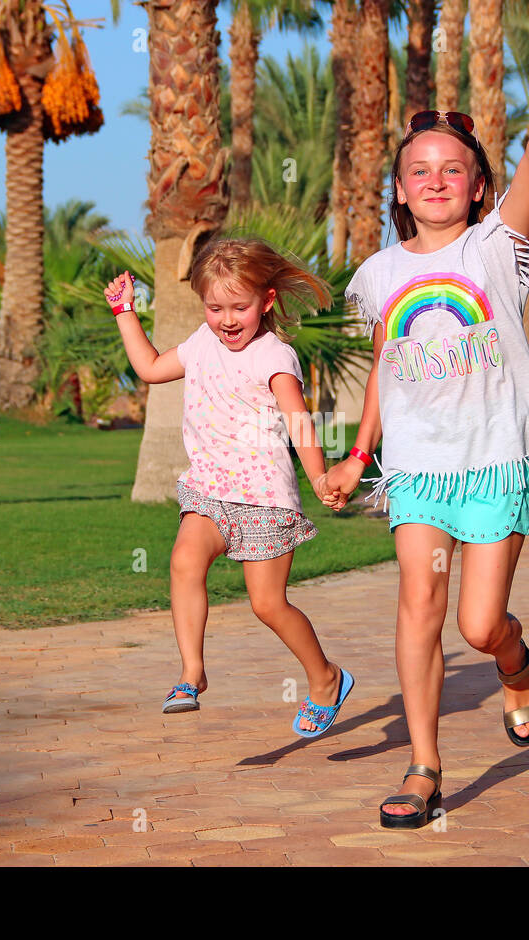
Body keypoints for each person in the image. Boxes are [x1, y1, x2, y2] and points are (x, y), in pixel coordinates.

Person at [323, 0, 529, 827]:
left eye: (454, 168)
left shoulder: (493, 247)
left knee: (479, 625)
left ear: (478, 186)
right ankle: (424, 767)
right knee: (419, 604)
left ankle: (516, 667)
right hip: (418, 467)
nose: (437, 179)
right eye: (420, 170)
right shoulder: (376, 273)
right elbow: (387, 362)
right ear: (400, 191)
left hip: (497, 458)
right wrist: (356, 453)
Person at [104, 237, 354, 739]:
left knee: (267, 604)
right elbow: (152, 368)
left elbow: (300, 424)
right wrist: (124, 311)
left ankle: (326, 678)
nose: (227, 319)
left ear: (266, 301)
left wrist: (321, 477)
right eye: (215, 307)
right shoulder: (200, 343)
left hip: (264, 500)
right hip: (209, 490)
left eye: (240, 307)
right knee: (184, 561)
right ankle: (191, 675)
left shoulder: (274, 358)